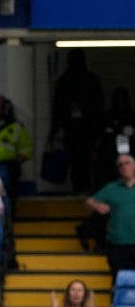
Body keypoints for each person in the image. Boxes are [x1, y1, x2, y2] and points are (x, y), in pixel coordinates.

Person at [49, 49, 104, 194]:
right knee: (79, 161)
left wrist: (54, 129)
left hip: (82, 129)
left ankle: (83, 188)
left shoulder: (69, 81)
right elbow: (58, 107)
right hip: (77, 129)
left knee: (82, 161)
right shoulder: (74, 80)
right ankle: (81, 188)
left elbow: (98, 106)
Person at [85, 154, 135, 277]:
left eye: (127, 163)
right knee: (118, 281)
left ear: (134, 166)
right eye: (120, 165)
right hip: (117, 243)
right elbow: (89, 201)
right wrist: (97, 206)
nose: (124, 166)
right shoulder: (111, 188)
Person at [96, 87, 135, 187]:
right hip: (111, 155)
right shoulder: (108, 117)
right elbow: (102, 136)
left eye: (122, 100)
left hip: (130, 153)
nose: (120, 103)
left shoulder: (132, 117)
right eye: (118, 100)